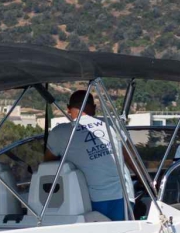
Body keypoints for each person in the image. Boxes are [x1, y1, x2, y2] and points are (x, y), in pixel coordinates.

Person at [44, 89, 130, 220]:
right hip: (125, 196)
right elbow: (131, 158)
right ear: (94, 108)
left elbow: (47, 166)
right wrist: (147, 184)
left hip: (90, 201)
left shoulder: (59, 133)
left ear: (68, 109)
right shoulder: (112, 124)